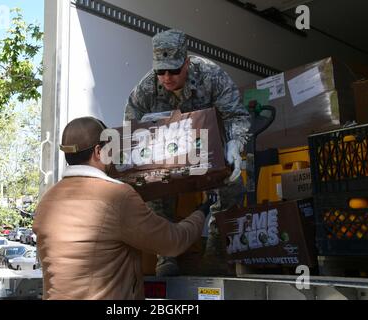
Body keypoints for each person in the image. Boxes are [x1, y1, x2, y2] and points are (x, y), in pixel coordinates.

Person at [33, 117, 216, 300]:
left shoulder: (47, 202)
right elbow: (172, 242)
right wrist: (202, 212)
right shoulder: (116, 197)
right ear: (98, 152)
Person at [124, 29, 251, 276]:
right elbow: (131, 130)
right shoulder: (145, 89)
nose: (167, 77)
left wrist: (235, 143)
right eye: (161, 71)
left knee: (232, 188)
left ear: (187, 62)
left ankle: (216, 255)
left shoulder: (211, 76)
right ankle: (167, 255)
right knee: (153, 192)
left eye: (174, 70)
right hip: (167, 152)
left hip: (210, 148)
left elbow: (236, 115)